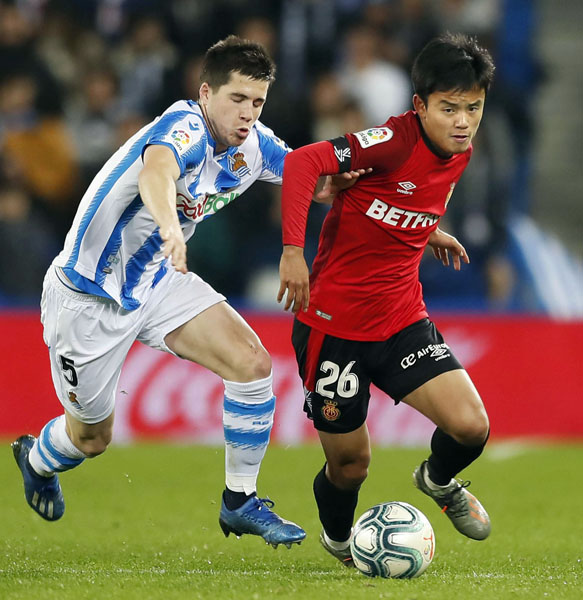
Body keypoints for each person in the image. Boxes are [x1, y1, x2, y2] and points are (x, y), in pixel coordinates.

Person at [12, 35, 329, 548]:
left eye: (257, 102)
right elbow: (157, 172)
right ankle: (36, 459)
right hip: (90, 296)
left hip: (158, 278)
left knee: (251, 363)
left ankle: (240, 501)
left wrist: (414, 222)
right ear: (206, 93)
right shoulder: (184, 127)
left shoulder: (254, 146)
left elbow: (316, 180)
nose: (247, 113)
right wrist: (168, 226)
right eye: (237, 98)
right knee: (91, 438)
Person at [277, 33, 495, 565]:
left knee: (471, 426)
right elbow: (303, 163)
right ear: (420, 105)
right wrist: (292, 251)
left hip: (400, 319)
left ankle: (437, 480)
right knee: (351, 466)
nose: (463, 121)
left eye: (473, 108)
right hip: (334, 326)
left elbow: (398, 196)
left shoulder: (459, 151)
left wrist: (427, 230)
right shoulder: (392, 140)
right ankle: (338, 540)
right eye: (449, 108)